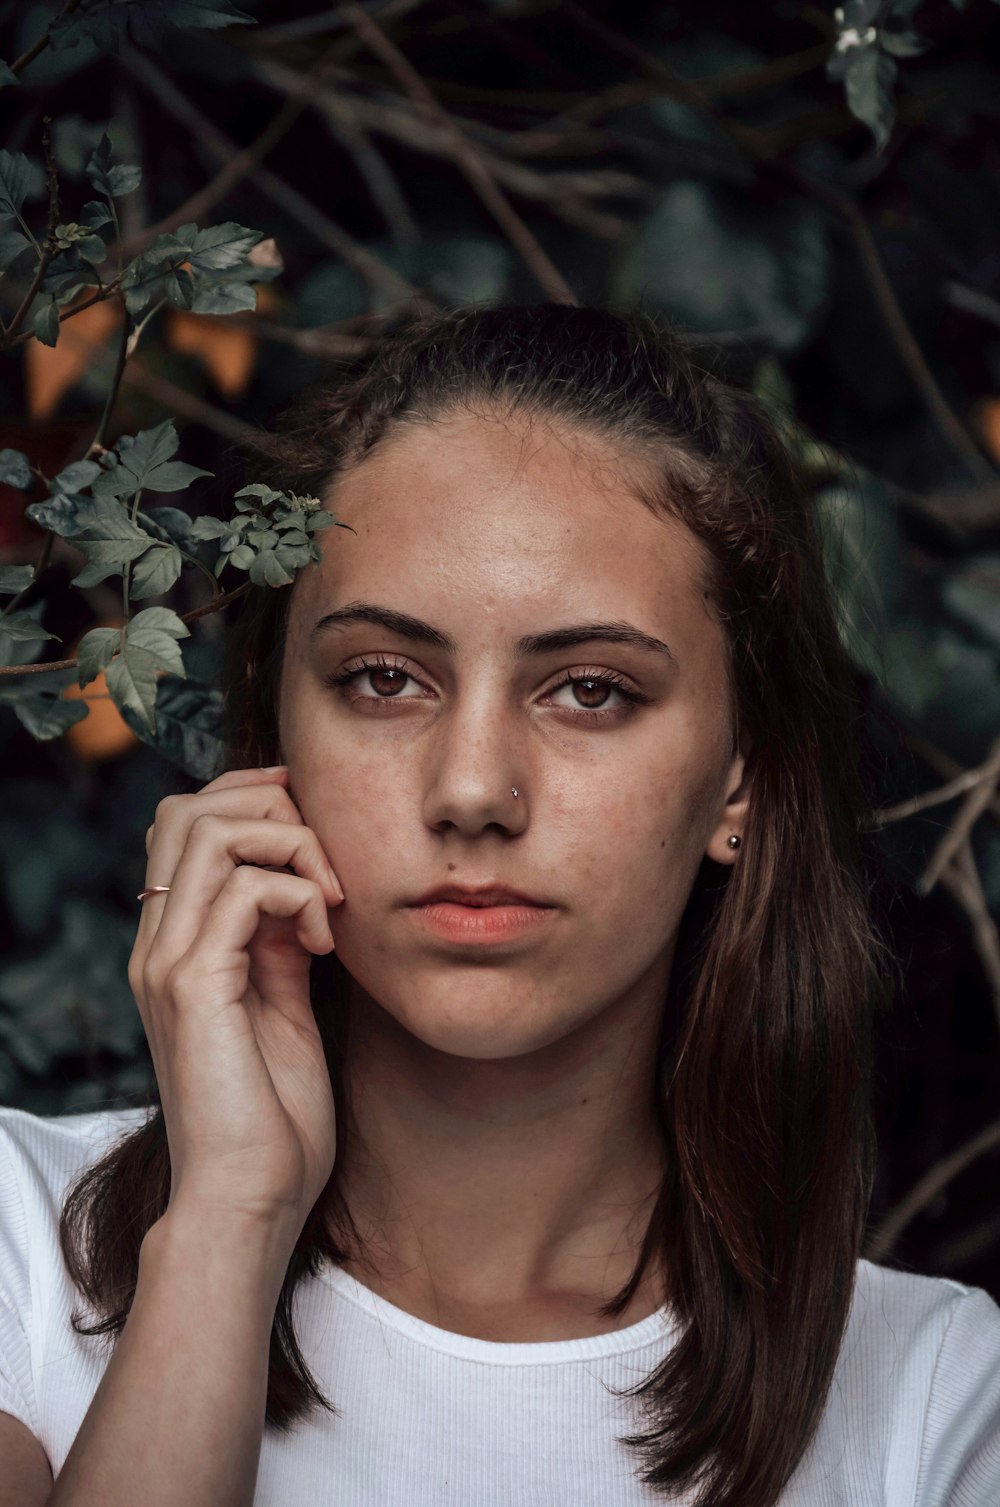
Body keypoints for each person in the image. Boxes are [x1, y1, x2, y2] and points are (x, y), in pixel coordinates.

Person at [1, 304, 998, 1507]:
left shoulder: (940, 1395)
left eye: (590, 689)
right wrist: (227, 1224)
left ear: (741, 772)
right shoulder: (20, 1238)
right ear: (275, 735)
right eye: (383, 678)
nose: (472, 790)